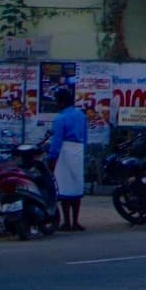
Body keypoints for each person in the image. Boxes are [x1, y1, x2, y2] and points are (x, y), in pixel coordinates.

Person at [48, 86, 88, 231]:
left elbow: (57, 141)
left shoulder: (60, 119)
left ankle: (67, 222)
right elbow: (85, 137)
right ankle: (76, 222)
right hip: (78, 151)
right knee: (76, 188)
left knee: (65, 188)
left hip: (65, 151)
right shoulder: (81, 116)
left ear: (60, 102)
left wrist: (52, 158)